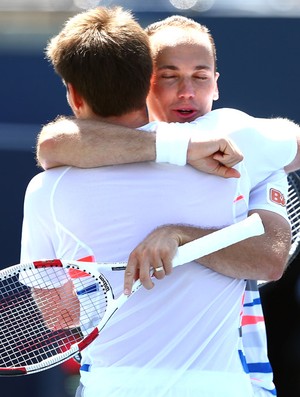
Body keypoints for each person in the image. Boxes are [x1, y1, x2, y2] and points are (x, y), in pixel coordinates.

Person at [21, 8, 296, 397]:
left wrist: (181, 236)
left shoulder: (237, 143)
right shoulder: (230, 143)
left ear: (216, 84)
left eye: (200, 77)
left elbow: (270, 259)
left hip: (237, 381)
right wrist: (177, 147)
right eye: (169, 77)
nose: (187, 92)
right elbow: (52, 143)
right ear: (144, 84)